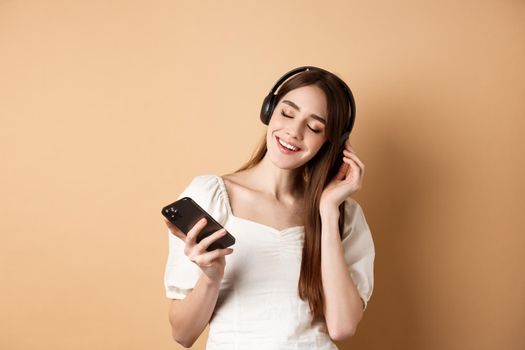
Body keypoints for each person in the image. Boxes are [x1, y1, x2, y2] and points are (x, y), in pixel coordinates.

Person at [163, 66, 375, 349]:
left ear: (331, 142)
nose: (293, 132)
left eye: (314, 127)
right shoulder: (210, 196)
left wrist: (327, 210)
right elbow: (183, 334)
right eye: (287, 113)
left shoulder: (343, 215)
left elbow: (342, 326)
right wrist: (211, 278)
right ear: (269, 111)